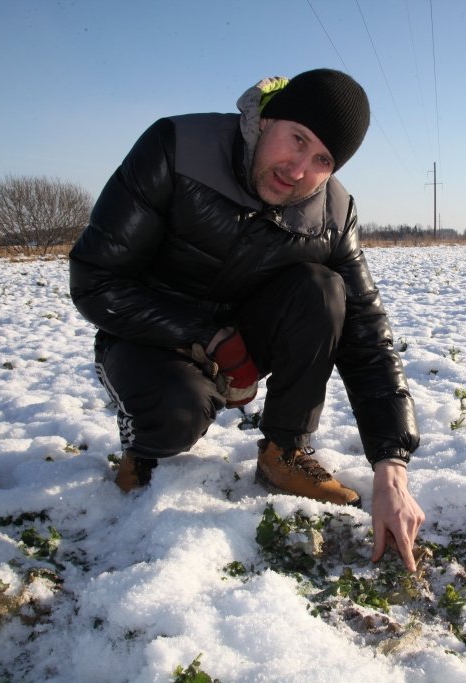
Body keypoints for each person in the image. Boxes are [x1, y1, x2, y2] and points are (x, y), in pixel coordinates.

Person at [69, 69, 424, 570]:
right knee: (175, 417)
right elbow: (95, 279)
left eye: (322, 159)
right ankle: (142, 446)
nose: (298, 169)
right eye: (296, 139)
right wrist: (207, 336)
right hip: (146, 329)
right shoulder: (177, 147)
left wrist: (391, 467)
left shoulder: (334, 213)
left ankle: (285, 452)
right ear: (267, 118)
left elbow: (368, 337)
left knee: (324, 289)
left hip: (244, 339)